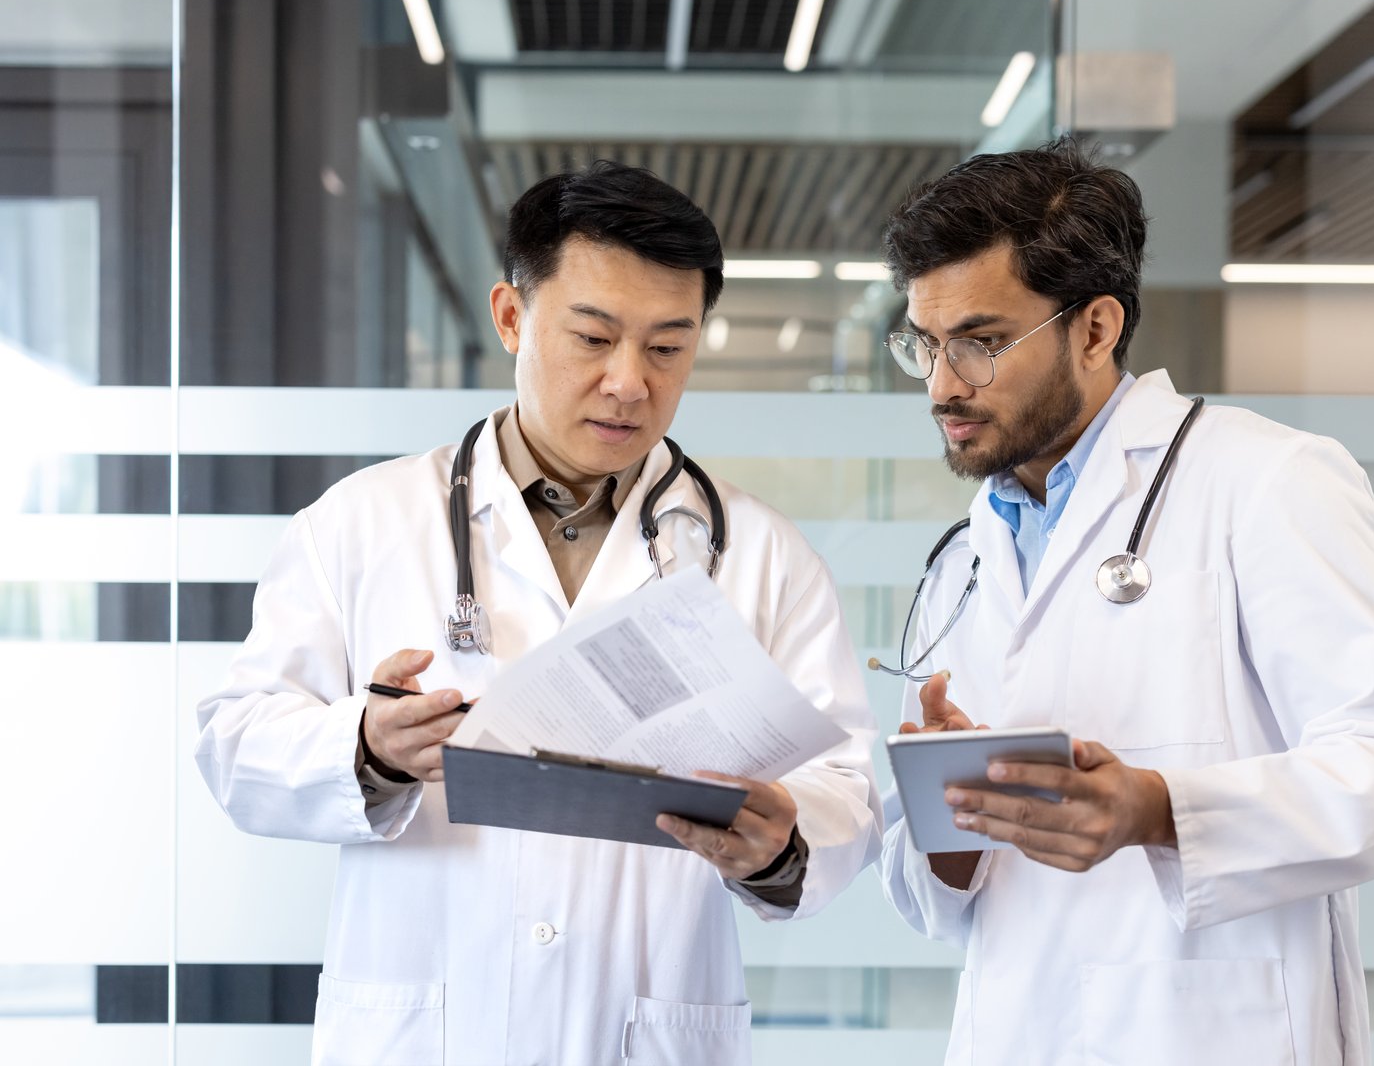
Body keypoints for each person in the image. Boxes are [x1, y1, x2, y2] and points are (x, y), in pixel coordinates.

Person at [195, 161, 881, 1066]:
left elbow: (849, 788)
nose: (630, 382)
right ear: (511, 317)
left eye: (668, 348)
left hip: (647, 1030)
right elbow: (235, 743)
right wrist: (367, 747)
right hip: (425, 1032)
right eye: (593, 338)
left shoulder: (761, 556)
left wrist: (779, 838)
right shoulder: (361, 523)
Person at [874, 136, 1374, 1065]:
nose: (945, 385)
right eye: (925, 345)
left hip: (1206, 1032)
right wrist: (947, 827)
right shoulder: (964, 559)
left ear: (1096, 329)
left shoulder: (1267, 480)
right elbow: (929, 896)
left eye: (981, 344)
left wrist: (1156, 810)